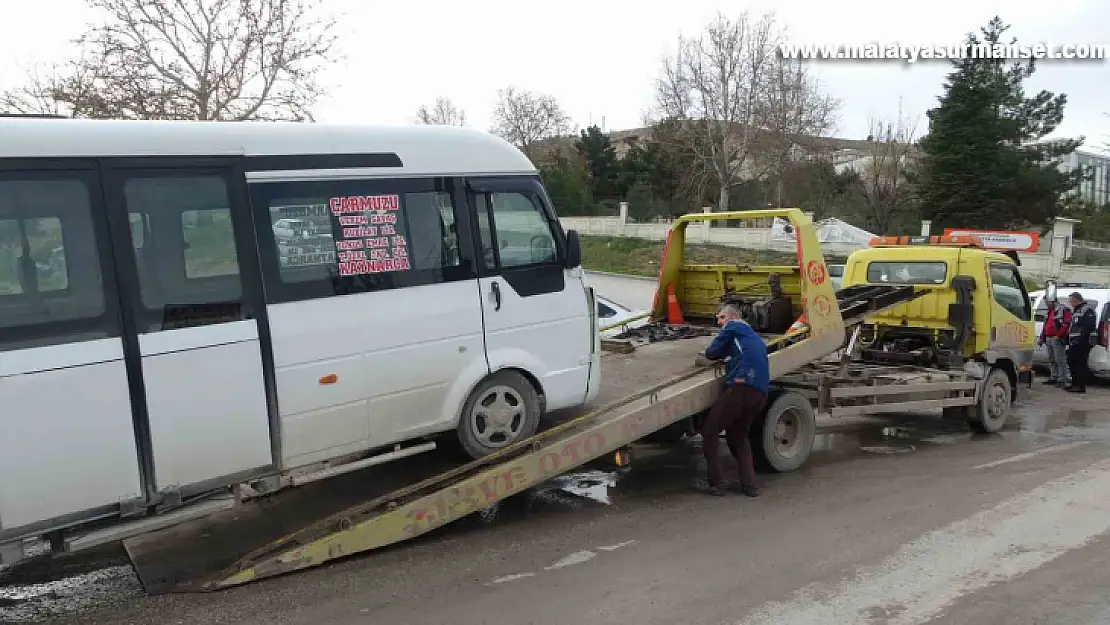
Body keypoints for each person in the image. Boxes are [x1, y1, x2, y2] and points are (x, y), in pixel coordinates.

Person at [697, 303, 770, 497]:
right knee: (738, 436)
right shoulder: (754, 338)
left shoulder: (733, 327)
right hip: (760, 393)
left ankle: (717, 483)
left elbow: (712, 352)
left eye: (721, 317)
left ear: (732, 317)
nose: (719, 322)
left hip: (741, 387)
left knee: (710, 431)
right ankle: (750, 486)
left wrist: (708, 354)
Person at [1065, 292, 1097, 393]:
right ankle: (1075, 384)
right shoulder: (1077, 310)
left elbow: (1088, 327)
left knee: (1080, 364)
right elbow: (1074, 326)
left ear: (1076, 300)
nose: (1069, 303)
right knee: (1071, 361)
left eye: (1070, 300)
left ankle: (1080, 386)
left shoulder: (1087, 310)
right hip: (1074, 341)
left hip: (1082, 342)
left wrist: (1081, 340)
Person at [1037, 298, 1072, 388]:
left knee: (1060, 360)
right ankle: (1054, 377)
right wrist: (1042, 338)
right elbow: (1045, 326)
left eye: (1047, 302)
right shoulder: (1049, 312)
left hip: (1056, 338)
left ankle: (1062, 379)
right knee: (1052, 359)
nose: (1046, 305)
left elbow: (1066, 324)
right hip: (1049, 337)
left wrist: (1059, 335)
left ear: (1053, 301)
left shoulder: (1063, 310)